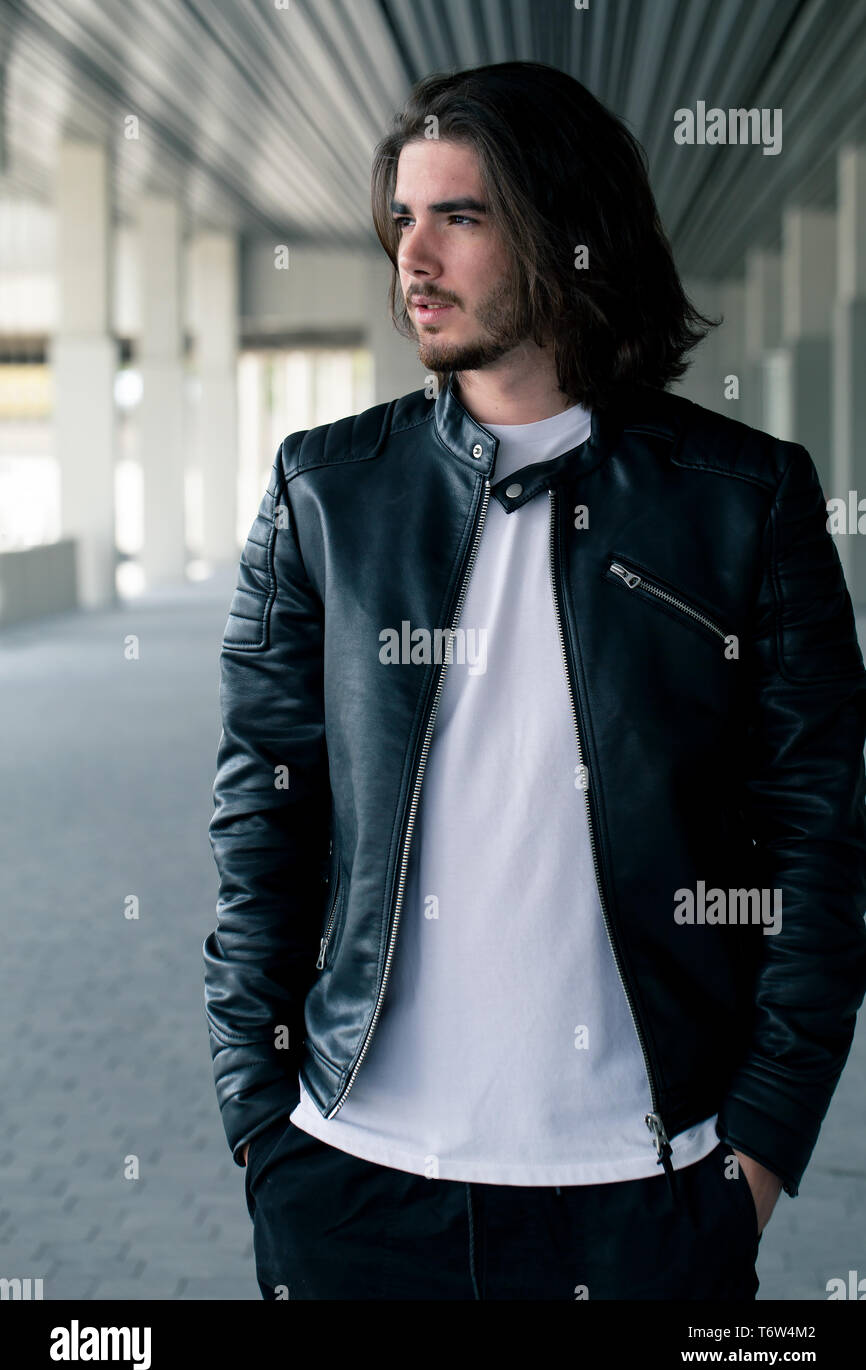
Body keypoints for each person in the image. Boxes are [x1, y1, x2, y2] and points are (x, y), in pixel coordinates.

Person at [203, 61, 866, 1300]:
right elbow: (262, 815)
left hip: (642, 1192)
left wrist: (758, 1153)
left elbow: (815, 851)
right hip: (351, 1180)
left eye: (459, 214)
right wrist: (259, 1117)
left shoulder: (740, 501)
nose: (413, 255)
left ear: (569, 231)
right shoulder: (325, 496)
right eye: (402, 217)